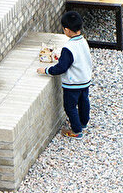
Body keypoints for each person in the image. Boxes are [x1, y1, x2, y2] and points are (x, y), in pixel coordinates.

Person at [37, 11, 93, 139]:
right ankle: (83, 122)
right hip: (85, 79)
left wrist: (45, 70)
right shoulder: (83, 41)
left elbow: (61, 68)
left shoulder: (68, 47)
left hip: (73, 83)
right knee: (84, 101)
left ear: (67, 30)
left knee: (70, 106)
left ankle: (76, 131)